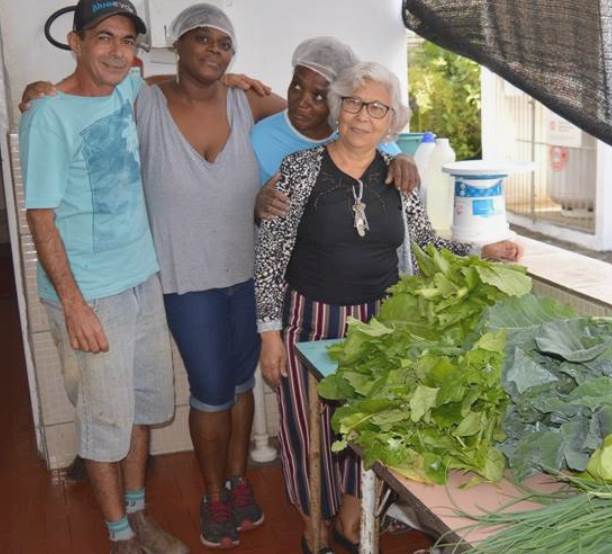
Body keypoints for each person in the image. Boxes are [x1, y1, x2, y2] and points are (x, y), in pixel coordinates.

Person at [254, 61, 522, 554]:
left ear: (391, 120)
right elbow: (271, 256)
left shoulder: (403, 178)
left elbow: (425, 247)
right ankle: (313, 520)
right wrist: (270, 334)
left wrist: (482, 252)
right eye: (353, 103)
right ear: (338, 109)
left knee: (371, 423)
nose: (362, 116)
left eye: (376, 107)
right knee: (303, 428)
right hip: (308, 320)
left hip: (379, 322)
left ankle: (354, 516)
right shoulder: (300, 169)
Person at [19, 2, 186, 553]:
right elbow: (40, 216)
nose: (118, 51)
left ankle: (138, 516)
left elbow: (156, 77)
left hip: (141, 277)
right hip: (91, 294)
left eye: (128, 41)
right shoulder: (47, 116)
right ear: (76, 42)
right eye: (104, 38)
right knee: (103, 420)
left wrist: (230, 76)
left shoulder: (125, 89)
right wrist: (73, 304)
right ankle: (119, 537)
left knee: (141, 406)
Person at [133, 4, 286, 549]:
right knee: (212, 387)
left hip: (248, 271)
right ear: (177, 44)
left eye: (223, 45)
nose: (214, 52)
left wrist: (394, 153)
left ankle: (240, 482)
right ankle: (212, 491)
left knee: (243, 383)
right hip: (185, 276)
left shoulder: (249, 101)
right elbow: (94, 87)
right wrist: (39, 91)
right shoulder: (145, 101)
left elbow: (321, 118)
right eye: (202, 41)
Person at [251, 37, 419, 221]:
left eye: (319, 96)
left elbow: (390, 156)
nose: (302, 102)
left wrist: (403, 159)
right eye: (297, 87)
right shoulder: (261, 138)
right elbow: (240, 205)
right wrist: (257, 206)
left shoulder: (352, 133)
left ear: (338, 99)